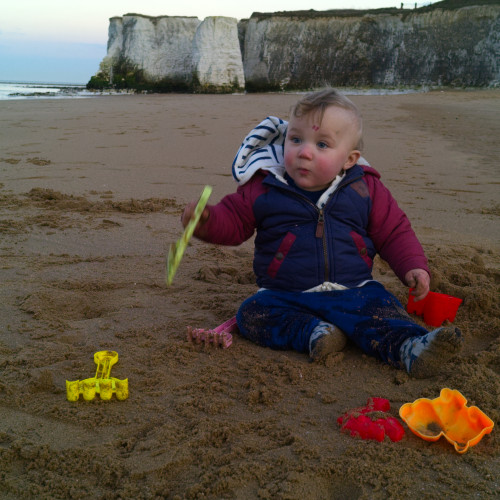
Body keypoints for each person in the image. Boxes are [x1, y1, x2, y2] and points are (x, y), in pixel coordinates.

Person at [181, 89, 462, 378]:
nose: (304, 151)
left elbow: (394, 231)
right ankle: (317, 334)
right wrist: (206, 222)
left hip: (353, 290)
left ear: (349, 159)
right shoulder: (264, 186)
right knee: (252, 314)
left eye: (322, 144)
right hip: (285, 294)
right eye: (296, 139)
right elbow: (234, 221)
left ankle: (411, 347)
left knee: (383, 311)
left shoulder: (365, 189)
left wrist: (413, 266)